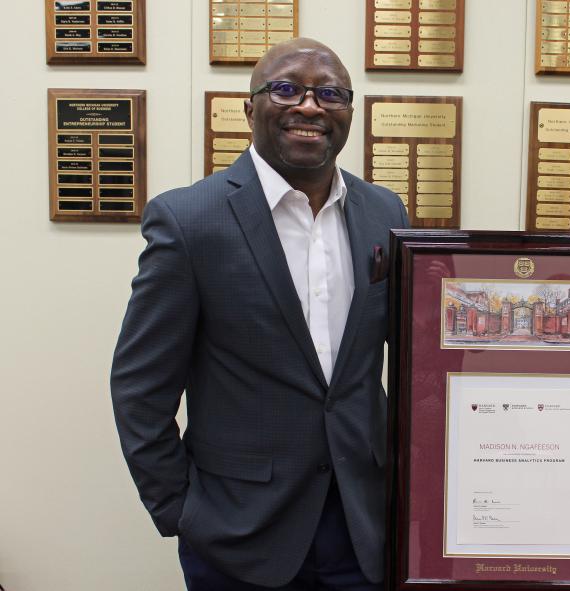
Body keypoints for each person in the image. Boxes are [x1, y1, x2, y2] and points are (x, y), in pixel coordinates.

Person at [111, 38, 408, 590]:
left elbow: (411, 360)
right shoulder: (189, 219)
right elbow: (139, 388)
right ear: (250, 109)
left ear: (348, 113)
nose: (310, 106)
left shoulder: (385, 212)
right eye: (286, 88)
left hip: (364, 525)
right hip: (239, 534)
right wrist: (182, 510)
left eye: (331, 94)